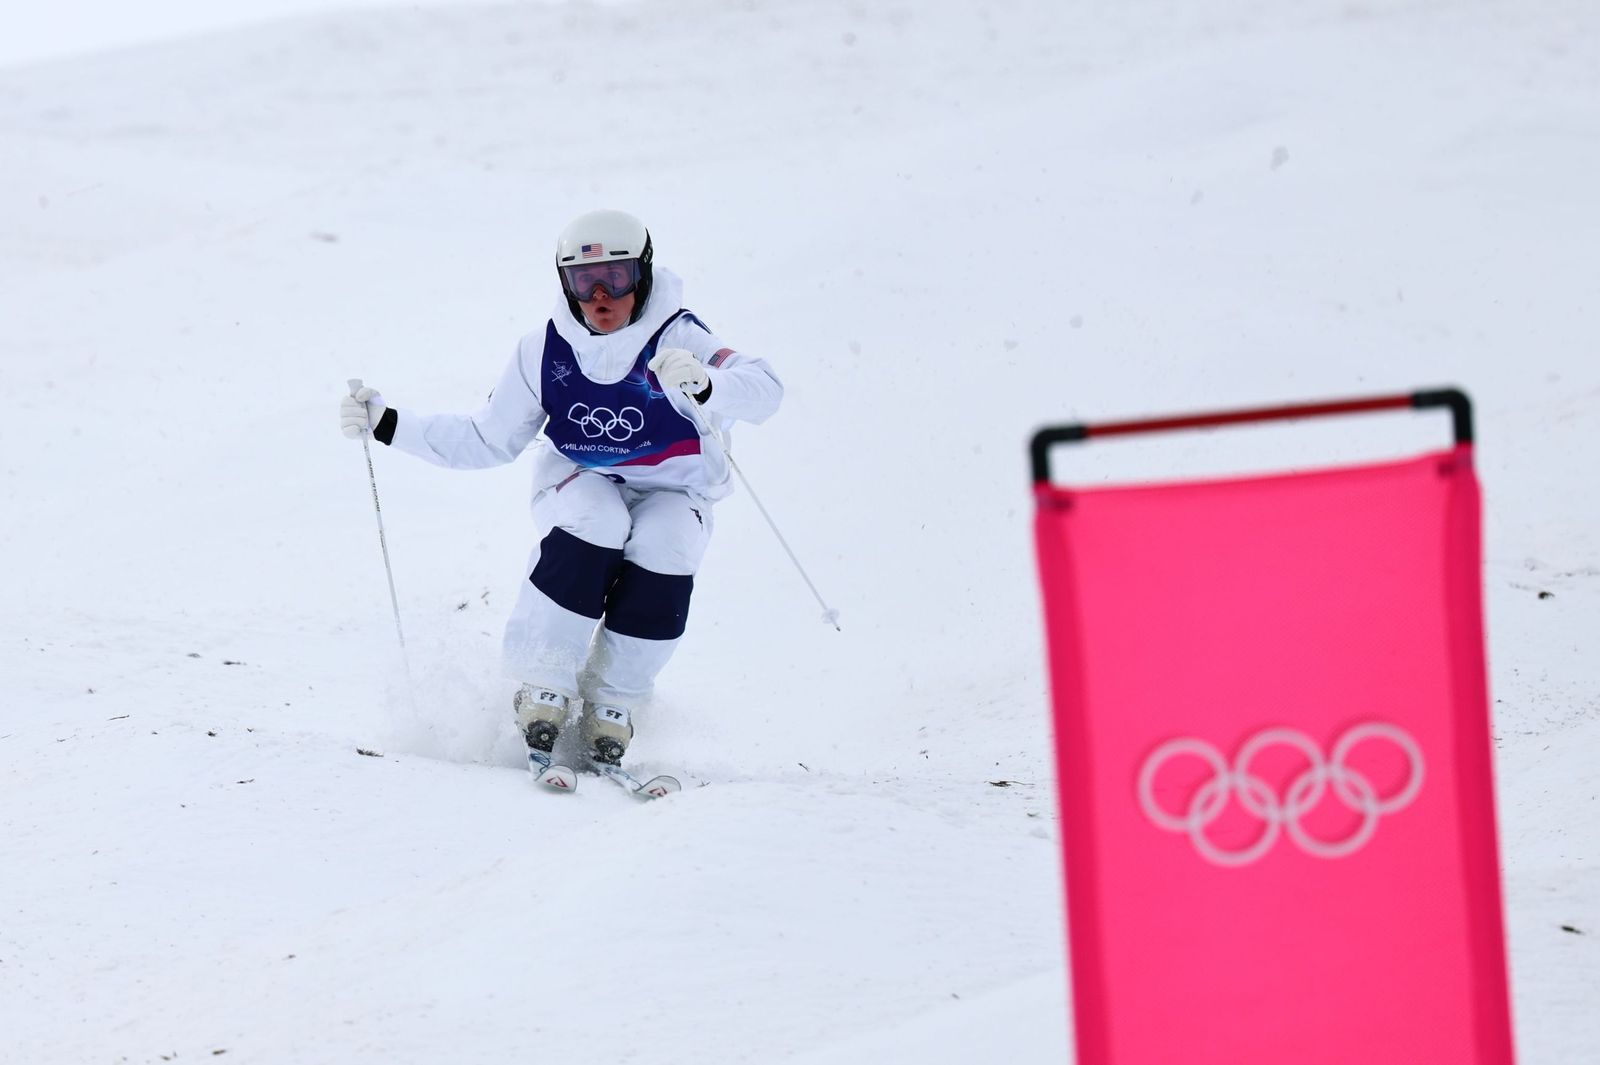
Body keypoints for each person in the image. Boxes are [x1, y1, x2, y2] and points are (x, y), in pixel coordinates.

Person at [339, 208, 783, 785]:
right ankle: (542, 683)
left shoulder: (682, 337)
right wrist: (388, 424)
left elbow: (766, 390)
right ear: (564, 283)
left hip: (676, 485)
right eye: (583, 280)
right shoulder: (543, 351)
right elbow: (487, 438)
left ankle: (613, 705)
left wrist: (707, 383)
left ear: (642, 275)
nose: (600, 296)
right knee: (596, 523)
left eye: (616, 278)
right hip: (582, 477)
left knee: (668, 543)